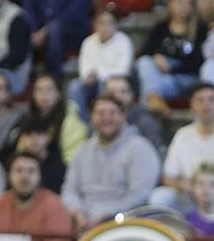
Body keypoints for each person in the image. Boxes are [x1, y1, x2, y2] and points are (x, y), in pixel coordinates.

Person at [61, 94, 161, 232]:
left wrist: (106, 216)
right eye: (100, 113)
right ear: (92, 117)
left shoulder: (140, 149)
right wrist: (78, 213)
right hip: (83, 221)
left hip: (124, 222)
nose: (106, 118)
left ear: (123, 116)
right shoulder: (82, 151)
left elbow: (139, 196)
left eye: (112, 113)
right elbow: (69, 190)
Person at [153, 82, 214, 210]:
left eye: (211, 99)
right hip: (191, 195)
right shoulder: (183, 134)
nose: (206, 105)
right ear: (192, 104)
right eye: (200, 100)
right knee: (160, 197)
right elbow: (168, 177)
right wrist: (183, 185)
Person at [135, 0, 208, 109]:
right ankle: (154, 100)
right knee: (144, 62)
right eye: (179, 2)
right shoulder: (161, 27)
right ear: (170, 4)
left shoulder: (200, 29)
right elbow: (143, 53)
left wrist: (172, 68)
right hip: (160, 77)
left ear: (193, 7)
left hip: (186, 79)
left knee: (148, 88)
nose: (183, 7)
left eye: (188, 3)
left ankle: (151, 103)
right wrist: (156, 56)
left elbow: (199, 62)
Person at [0, 152, 69, 240]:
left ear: (40, 176)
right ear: (8, 176)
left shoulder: (54, 206)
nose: (24, 176)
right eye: (19, 170)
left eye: (31, 171)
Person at [66, 10, 133, 122]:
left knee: (105, 84)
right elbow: (84, 68)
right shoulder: (88, 42)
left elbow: (122, 71)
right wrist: (88, 76)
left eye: (109, 22)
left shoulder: (124, 41)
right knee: (75, 86)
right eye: (101, 22)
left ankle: (102, 121)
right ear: (95, 25)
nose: (105, 26)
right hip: (92, 83)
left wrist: (99, 74)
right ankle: (81, 123)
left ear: (116, 25)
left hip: (114, 83)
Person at [26, 74, 86, 164]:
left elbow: (73, 162)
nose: (44, 94)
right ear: (33, 95)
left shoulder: (72, 123)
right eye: (39, 90)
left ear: (59, 94)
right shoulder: (27, 120)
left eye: (49, 89)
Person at [102, 75, 163, 153]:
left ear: (131, 95)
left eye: (123, 92)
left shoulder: (145, 122)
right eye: (112, 92)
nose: (117, 96)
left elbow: (154, 154)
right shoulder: (97, 120)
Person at [12, 116, 65, 194]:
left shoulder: (59, 167)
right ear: (21, 138)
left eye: (39, 133)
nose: (34, 138)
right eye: (28, 134)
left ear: (49, 136)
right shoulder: (15, 164)